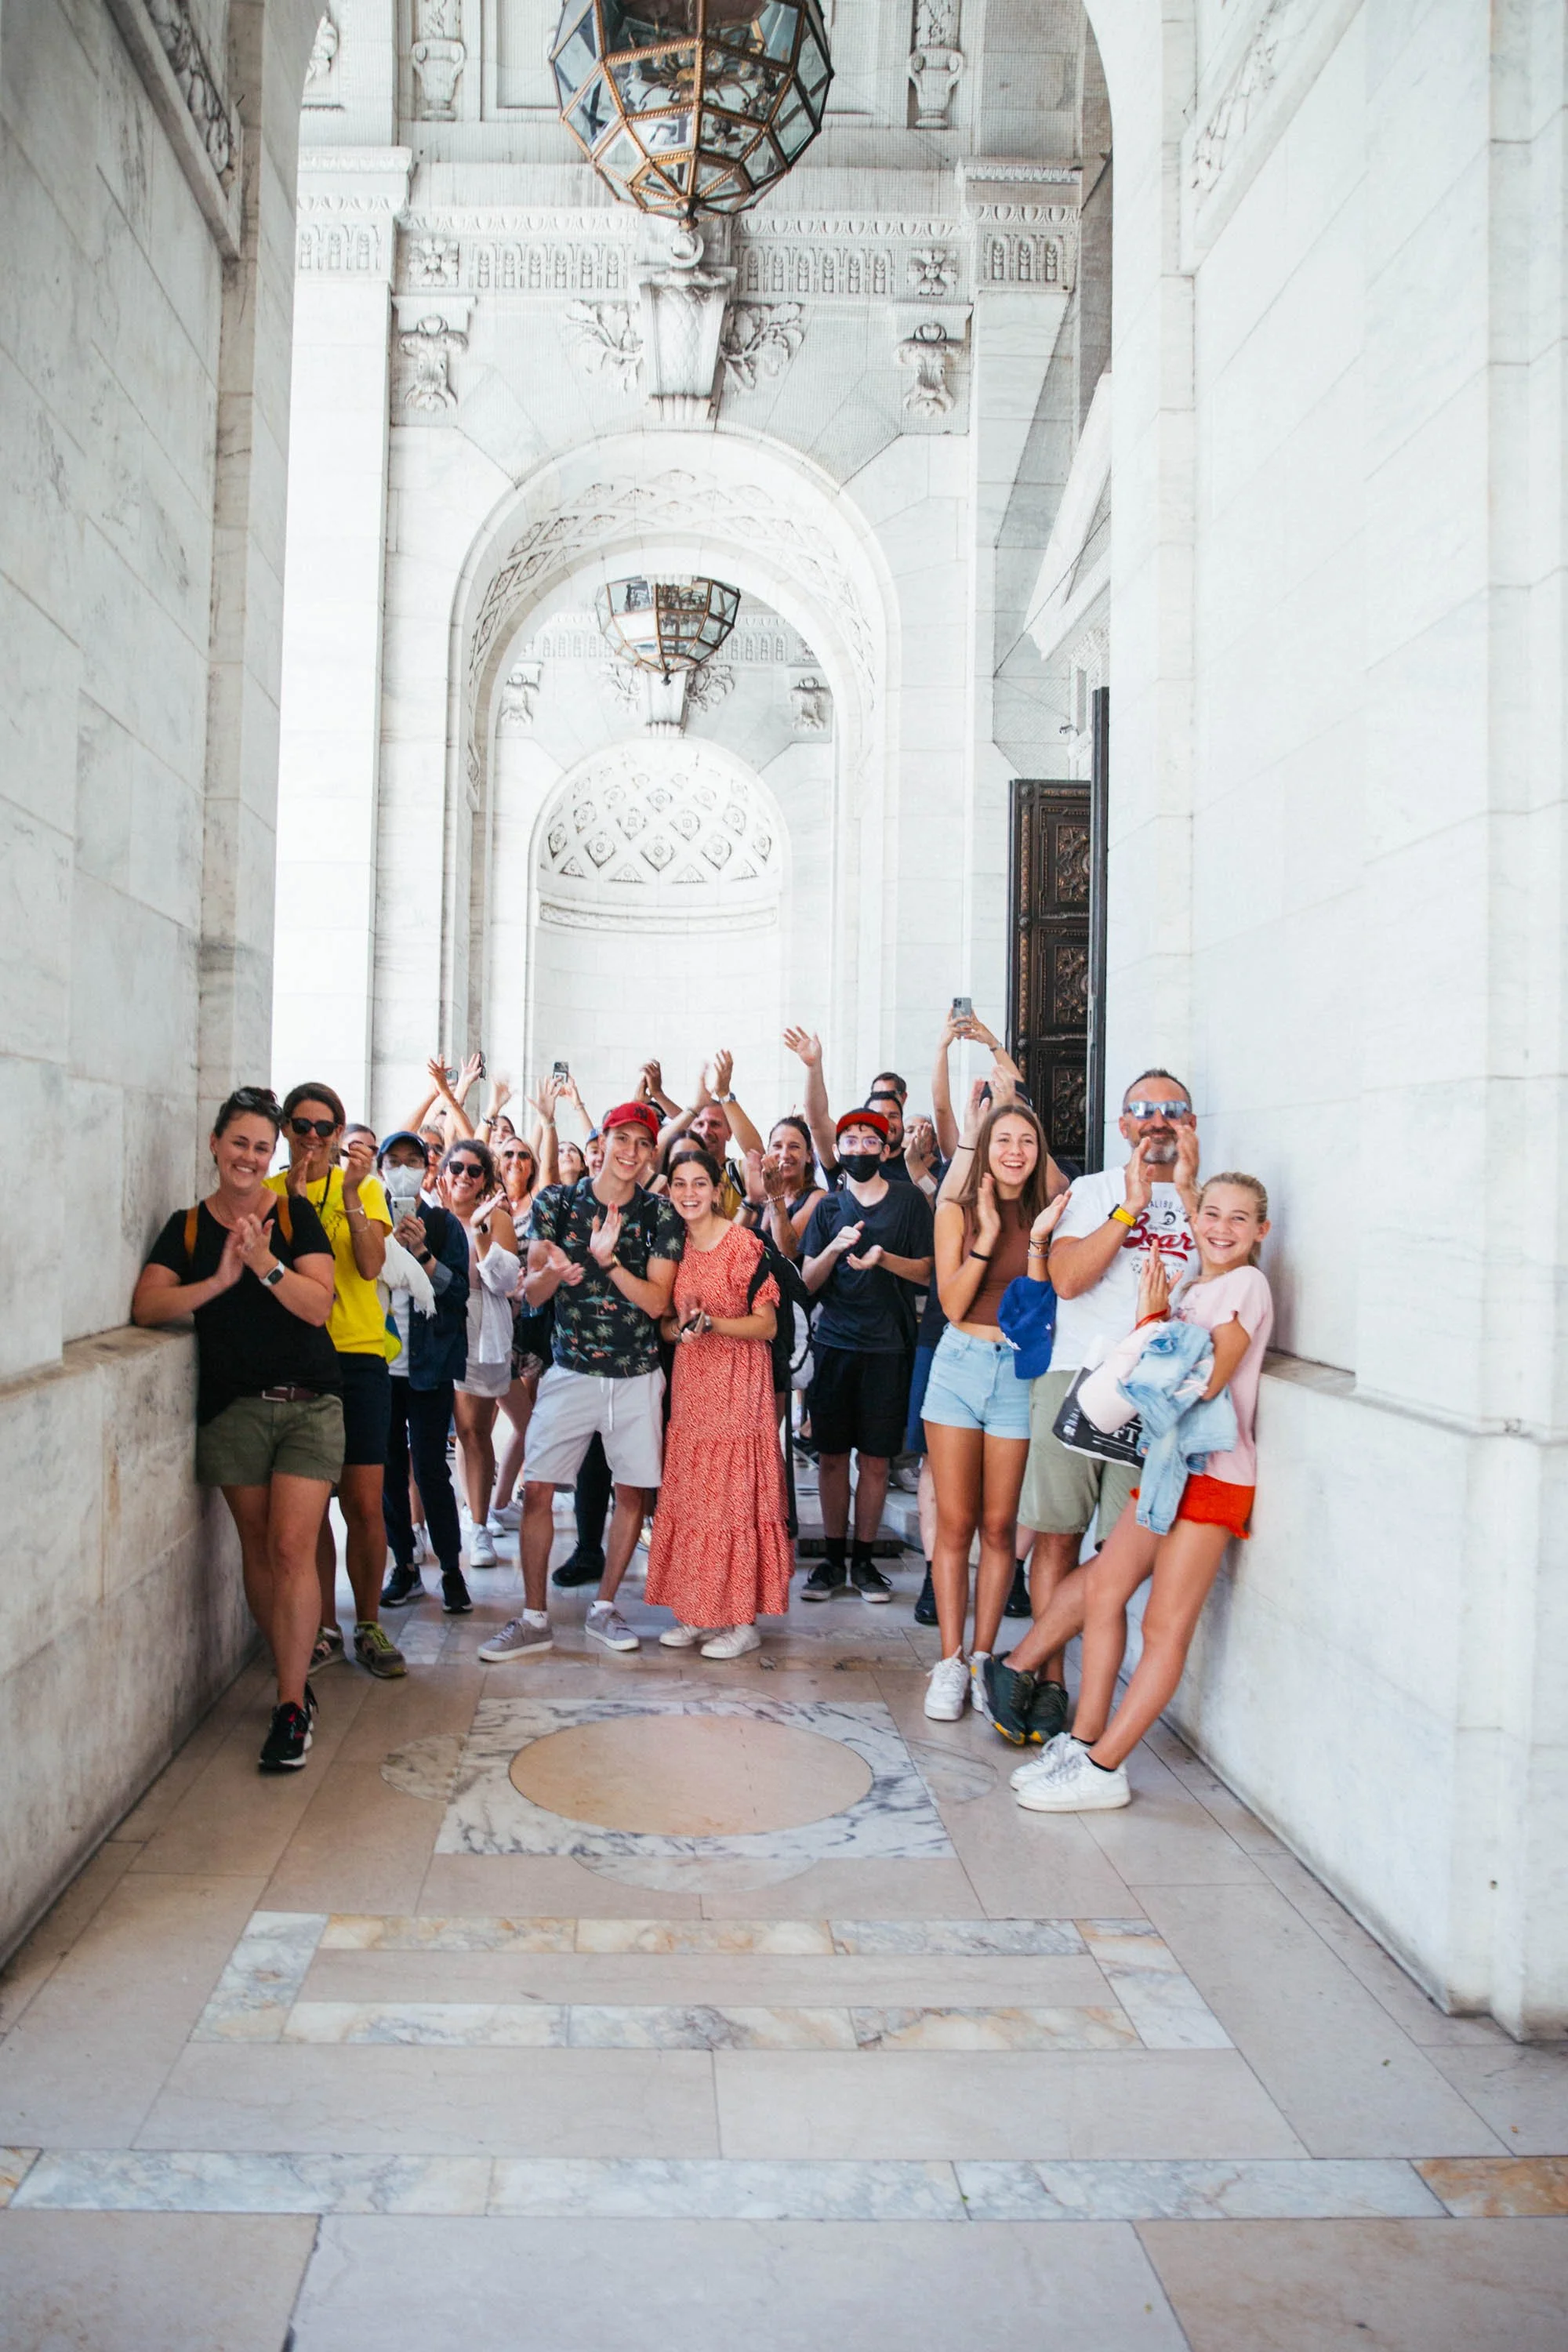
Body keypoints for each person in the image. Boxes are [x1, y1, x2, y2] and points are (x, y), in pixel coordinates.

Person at [1005, 1174, 1273, 1809]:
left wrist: (1151, 1327)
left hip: (1211, 1476)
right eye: (1211, 1213)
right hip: (1166, 1468)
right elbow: (1156, 1372)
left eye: (1240, 1219)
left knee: (1162, 1626)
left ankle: (1103, 1769)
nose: (1222, 1228)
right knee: (1105, 1583)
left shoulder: (1246, 1285)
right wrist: (1155, 1322)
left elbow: (1199, 1384)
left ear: (1261, 1231)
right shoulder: (1195, 1287)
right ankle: (1077, 1730)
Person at [132, 1087, 341, 1772]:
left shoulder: (295, 1215)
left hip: (309, 1404)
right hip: (235, 1411)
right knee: (259, 1550)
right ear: (216, 1146)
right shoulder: (187, 1227)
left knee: (291, 1547)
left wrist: (264, 1265)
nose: (251, 1157)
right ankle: (292, 1680)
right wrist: (219, 1281)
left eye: (262, 1146)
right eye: (240, 1143)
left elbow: (318, 1307)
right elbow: (147, 1305)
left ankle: (288, 1705)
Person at [1011, 1070, 1202, 1704]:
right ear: (1122, 1126)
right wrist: (1132, 1207)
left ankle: (1026, 1659)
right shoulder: (1092, 1192)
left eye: (1171, 1109)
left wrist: (1191, 1195)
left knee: (1125, 1551)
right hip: (1077, 1375)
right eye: (1142, 1110)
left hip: (1157, 1394)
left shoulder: (1209, 1201)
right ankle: (1053, 1683)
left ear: (1190, 1123)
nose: (1157, 1120)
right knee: (1059, 1535)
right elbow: (1066, 1280)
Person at [479, 1101, 682, 1663]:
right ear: (604, 1140)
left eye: (644, 1144)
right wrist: (553, 1271)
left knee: (633, 1490)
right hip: (570, 1370)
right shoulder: (557, 1202)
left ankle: (606, 1607)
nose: (632, 1153)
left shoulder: (660, 1216)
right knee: (539, 1486)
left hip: (638, 1376)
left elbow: (659, 1300)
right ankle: (534, 1616)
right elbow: (534, 1293)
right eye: (624, 1139)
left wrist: (609, 1262)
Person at [919, 1102, 1071, 1722]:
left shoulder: (1053, 1212)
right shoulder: (954, 1211)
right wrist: (985, 1235)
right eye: (1002, 1139)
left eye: (1027, 1140)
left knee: (1002, 1527)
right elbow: (953, 1305)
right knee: (955, 1525)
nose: (1014, 1150)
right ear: (983, 1148)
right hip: (958, 1366)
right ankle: (950, 1661)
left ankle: (984, 1659)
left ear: (1040, 1150)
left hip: (1019, 1373)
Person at [266, 1083, 403, 1681]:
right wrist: (293, 1202)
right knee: (311, 1505)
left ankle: (368, 1622)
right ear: (286, 1130)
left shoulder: (367, 1189)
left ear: (342, 1133)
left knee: (364, 1502)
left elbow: (371, 1266)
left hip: (359, 1355)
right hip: (296, 1360)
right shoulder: (268, 1194)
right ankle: (321, 1626)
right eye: (302, 1126)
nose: (314, 1138)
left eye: (326, 1127)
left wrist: (346, 1194)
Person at [645, 1149, 793, 1657]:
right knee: (694, 1497)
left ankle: (741, 1622)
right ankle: (695, 1610)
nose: (689, 1193)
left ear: (717, 1189)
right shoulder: (672, 1247)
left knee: (733, 1500)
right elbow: (664, 1322)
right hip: (692, 1387)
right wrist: (679, 1330)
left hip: (738, 1385)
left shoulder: (743, 1244)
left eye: (700, 1183)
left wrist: (714, 1325)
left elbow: (767, 1324)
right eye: (680, 1184)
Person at [799, 1109, 935, 1601]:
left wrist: (884, 1260)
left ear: (884, 1147)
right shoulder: (828, 1208)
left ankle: (864, 1562)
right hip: (834, 1345)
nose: (858, 1149)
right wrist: (834, 1249)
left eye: (868, 1140)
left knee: (876, 1460)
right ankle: (833, 1561)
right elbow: (807, 1284)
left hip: (888, 1347)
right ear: (839, 1149)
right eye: (849, 1140)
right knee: (833, 1458)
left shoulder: (908, 1202)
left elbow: (926, 1272)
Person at [375, 1131, 473, 1615]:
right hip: (379, 1367)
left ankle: (452, 1570)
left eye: (412, 1161)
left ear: (427, 1170)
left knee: (431, 1469)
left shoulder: (442, 1224)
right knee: (388, 1471)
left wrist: (422, 1255)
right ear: (381, 1169)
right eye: (393, 1162)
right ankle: (405, 1566)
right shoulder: (369, 1222)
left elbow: (458, 1296)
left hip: (428, 1368)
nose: (403, 1169)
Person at [440, 1138, 521, 1570]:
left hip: (481, 1327)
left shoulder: (498, 1220)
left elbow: (505, 1282)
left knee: (473, 1431)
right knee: (427, 1434)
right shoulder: (430, 1216)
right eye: (457, 1168)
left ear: (485, 1179)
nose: (464, 1177)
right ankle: (418, 1529)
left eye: (474, 1171)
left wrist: (482, 1237)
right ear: (444, 1172)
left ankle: (480, 1523)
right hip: (435, 1326)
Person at [489, 1127, 553, 1532]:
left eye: (524, 1155)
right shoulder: (488, 1207)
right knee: (514, 1421)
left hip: (534, 1324)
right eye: (508, 1154)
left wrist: (547, 1120)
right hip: (496, 1326)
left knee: (528, 1419)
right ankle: (487, 1507)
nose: (516, 1161)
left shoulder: (541, 1203)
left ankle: (499, 1502)